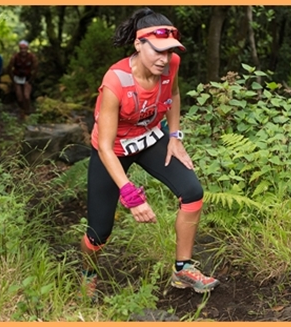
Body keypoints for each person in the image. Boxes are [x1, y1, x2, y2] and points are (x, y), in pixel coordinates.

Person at [79, 7, 218, 301]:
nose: (164, 59)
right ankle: (88, 275)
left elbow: (175, 94)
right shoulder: (116, 82)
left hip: (152, 137)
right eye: (158, 51)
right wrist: (130, 194)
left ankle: (182, 270)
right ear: (139, 44)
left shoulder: (171, 65)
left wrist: (175, 137)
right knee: (99, 232)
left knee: (193, 192)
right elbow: (104, 146)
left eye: (169, 52)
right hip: (114, 149)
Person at [6, 40, 38, 119]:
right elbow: (9, 68)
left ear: (27, 48)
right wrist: (13, 79)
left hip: (27, 79)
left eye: (24, 48)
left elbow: (36, 69)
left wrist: (30, 80)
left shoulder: (32, 57)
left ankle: (28, 111)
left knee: (26, 96)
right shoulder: (15, 57)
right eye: (21, 48)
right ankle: (22, 110)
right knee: (20, 98)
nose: (23, 50)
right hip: (17, 78)